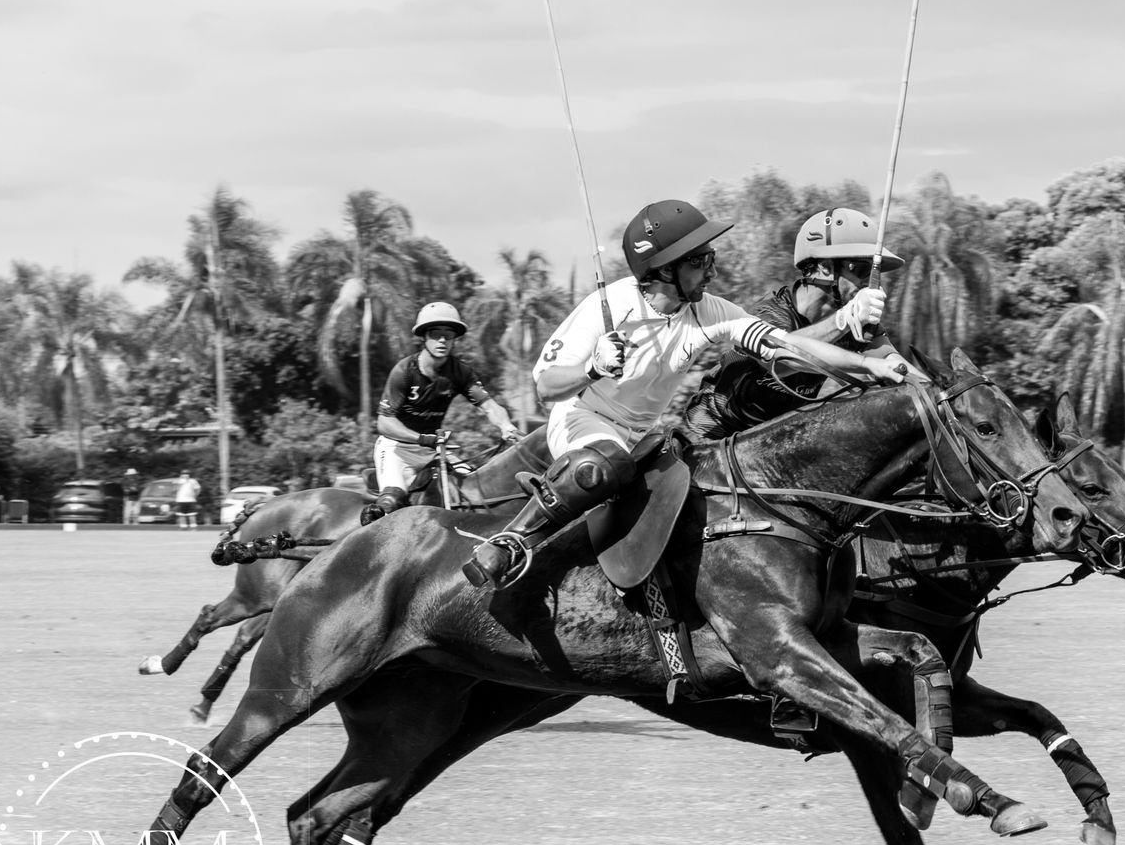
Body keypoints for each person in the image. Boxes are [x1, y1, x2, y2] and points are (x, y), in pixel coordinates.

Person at [462, 198, 910, 588]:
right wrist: (592, 368)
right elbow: (545, 388)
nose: (711, 270)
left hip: (644, 435)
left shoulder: (709, 311)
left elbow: (785, 345)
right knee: (606, 463)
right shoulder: (612, 305)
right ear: (663, 269)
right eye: (700, 261)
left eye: (710, 258)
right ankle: (510, 543)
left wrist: (867, 363)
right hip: (584, 419)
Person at [684, 207, 908, 439]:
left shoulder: (858, 319)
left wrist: (940, 393)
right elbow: (783, 360)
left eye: (873, 274)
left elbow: (894, 364)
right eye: (860, 270)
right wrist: (843, 321)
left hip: (772, 439)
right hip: (714, 428)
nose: (868, 284)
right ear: (825, 267)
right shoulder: (769, 312)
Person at [362, 302, 522, 525]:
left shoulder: (460, 372)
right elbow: (384, 422)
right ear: (423, 338)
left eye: (449, 336)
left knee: (474, 486)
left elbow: (489, 406)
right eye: (436, 335)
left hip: (434, 449)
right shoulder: (404, 371)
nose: (442, 341)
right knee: (391, 501)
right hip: (397, 449)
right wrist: (420, 438)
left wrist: (507, 427)